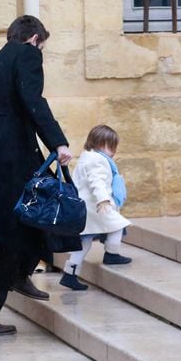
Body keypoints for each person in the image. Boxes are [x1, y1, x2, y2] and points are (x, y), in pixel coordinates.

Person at [0, 15, 72, 337]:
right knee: (21, 229)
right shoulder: (26, 54)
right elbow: (33, 99)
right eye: (42, 45)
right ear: (35, 38)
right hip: (9, 158)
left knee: (27, 223)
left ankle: (20, 274)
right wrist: (58, 142)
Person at [59, 125, 132, 291]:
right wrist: (103, 200)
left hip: (89, 210)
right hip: (96, 208)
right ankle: (111, 254)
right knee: (118, 226)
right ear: (98, 144)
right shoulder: (96, 161)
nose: (114, 151)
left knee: (84, 242)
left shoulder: (87, 158)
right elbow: (96, 181)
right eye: (111, 146)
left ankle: (69, 274)